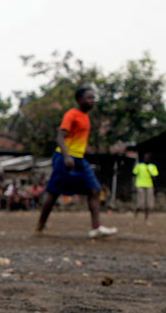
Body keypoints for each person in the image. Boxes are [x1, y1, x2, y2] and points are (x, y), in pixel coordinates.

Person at [36, 87, 116, 238]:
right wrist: (66, 157)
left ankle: (96, 228)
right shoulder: (71, 114)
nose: (92, 101)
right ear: (79, 99)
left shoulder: (86, 117)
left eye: (93, 98)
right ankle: (40, 225)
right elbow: (60, 137)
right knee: (53, 192)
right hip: (64, 157)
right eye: (89, 98)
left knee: (94, 190)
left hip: (79, 159)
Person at [133, 152, 159, 222]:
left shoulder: (152, 166)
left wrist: (149, 171)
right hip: (140, 185)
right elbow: (134, 174)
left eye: (147, 157)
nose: (146, 159)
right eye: (145, 157)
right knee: (140, 203)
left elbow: (155, 177)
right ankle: (136, 216)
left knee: (148, 204)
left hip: (149, 185)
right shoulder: (139, 166)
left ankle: (146, 218)